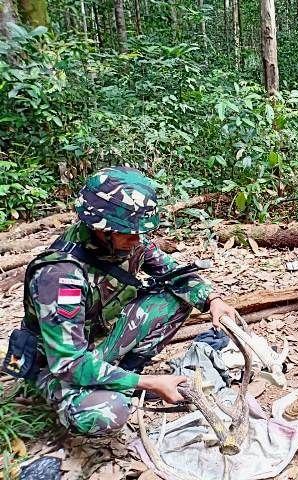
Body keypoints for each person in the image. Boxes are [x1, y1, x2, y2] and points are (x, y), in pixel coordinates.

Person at [8, 166, 236, 436]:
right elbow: (69, 363)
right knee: (109, 411)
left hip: (97, 340)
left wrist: (213, 299)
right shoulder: (60, 275)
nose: (137, 239)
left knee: (177, 299)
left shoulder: (128, 238)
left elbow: (172, 273)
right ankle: (122, 385)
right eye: (128, 232)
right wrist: (148, 383)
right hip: (55, 366)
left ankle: (126, 373)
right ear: (100, 228)